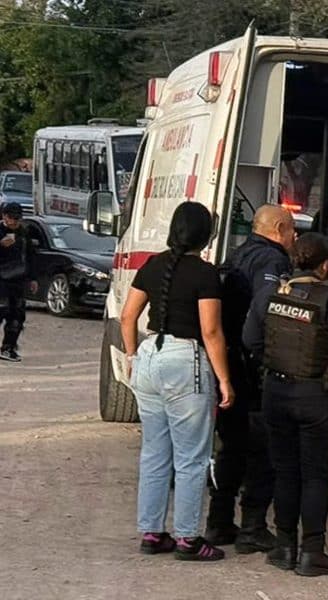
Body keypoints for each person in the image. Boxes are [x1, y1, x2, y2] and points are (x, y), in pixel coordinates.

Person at [242, 233, 328, 576]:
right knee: (315, 474)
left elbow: (250, 339)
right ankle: (312, 552)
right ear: (325, 266)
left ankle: (284, 547)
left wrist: (273, 361)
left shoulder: (269, 294)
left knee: (285, 471)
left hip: (276, 392)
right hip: (316, 396)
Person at [121, 202, 234, 561]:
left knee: (155, 453)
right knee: (191, 457)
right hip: (186, 361)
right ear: (206, 235)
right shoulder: (205, 273)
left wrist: (131, 356)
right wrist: (224, 379)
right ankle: (188, 538)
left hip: (149, 357)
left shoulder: (153, 265)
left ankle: (152, 532)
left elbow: (127, 316)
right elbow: (211, 331)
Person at [206, 205, 295, 552]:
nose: (294, 237)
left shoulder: (237, 254)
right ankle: (253, 526)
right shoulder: (273, 261)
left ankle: (219, 521)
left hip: (227, 362)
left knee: (231, 447)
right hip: (252, 368)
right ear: (278, 228)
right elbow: (268, 311)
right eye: (292, 229)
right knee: (263, 448)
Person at [0, 202, 37, 362]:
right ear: (4, 216)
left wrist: (33, 278)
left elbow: (30, 256)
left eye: (17, 218)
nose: (13, 222)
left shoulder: (24, 232)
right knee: (1, 310)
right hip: (1, 280)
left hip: (18, 280)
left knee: (17, 316)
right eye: (11, 218)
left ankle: (8, 348)